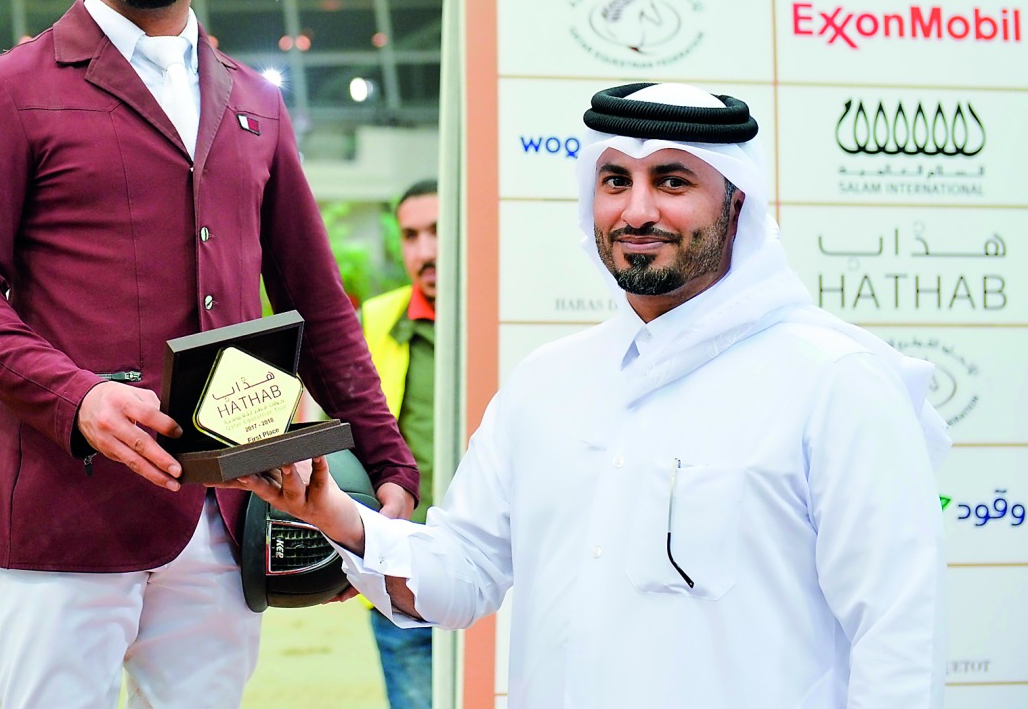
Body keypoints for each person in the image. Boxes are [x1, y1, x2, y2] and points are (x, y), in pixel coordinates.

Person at [236, 82, 951, 709]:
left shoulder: (836, 380)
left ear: (735, 203)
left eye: (672, 181)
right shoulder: (548, 382)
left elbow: (898, 636)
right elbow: (464, 573)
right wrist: (332, 512)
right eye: (615, 181)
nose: (637, 210)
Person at [0, 0, 417, 709]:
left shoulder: (257, 104)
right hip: (67, 513)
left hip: (233, 509)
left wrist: (388, 459)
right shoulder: (7, 90)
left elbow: (318, 297)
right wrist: (74, 397)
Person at [359, 179, 438, 709]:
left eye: (437, 232)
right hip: (405, 570)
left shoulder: (501, 322)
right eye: (411, 236)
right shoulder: (376, 318)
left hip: (497, 568)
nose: (425, 252)